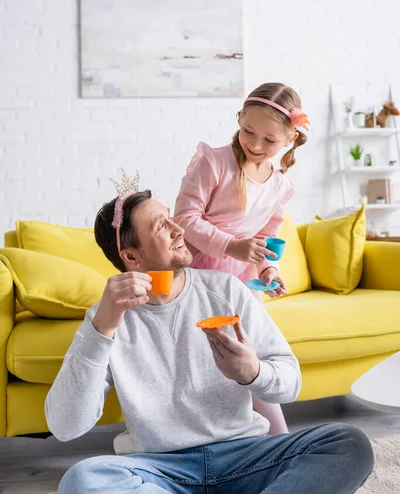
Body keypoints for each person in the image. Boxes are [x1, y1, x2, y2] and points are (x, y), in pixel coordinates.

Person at [45, 186, 373, 494]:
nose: (179, 229)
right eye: (163, 226)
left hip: (248, 456)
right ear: (131, 258)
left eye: (173, 218)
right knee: (83, 479)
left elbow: (291, 382)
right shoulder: (104, 318)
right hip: (162, 470)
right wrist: (102, 330)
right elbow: (65, 426)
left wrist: (253, 372)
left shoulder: (226, 289)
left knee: (348, 443)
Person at [173, 82, 309, 434]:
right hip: (197, 275)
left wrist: (268, 268)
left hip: (240, 283)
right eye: (248, 131)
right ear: (239, 120)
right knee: (203, 358)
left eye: (269, 140)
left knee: (253, 357)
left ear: (290, 139)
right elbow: (185, 218)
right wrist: (231, 246)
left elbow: (267, 237)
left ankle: (278, 439)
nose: (255, 144)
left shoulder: (281, 185)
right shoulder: (214, 162)